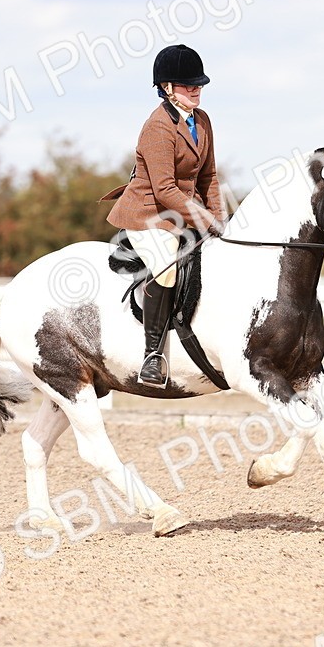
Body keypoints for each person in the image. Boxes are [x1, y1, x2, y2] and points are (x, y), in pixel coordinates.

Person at [101, 44, 226, 389]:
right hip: (149, 214)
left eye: (199, 84)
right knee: (168, 269)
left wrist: (219, 218)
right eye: (189, 85)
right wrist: (205, 220)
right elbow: (165, 190)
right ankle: (153, 356)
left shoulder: (202, 120)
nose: (196, 89)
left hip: (186, 212)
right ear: (168, 88)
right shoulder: (157, 127)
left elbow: (209, 176)